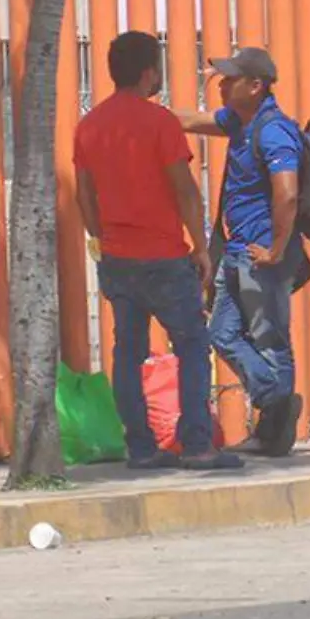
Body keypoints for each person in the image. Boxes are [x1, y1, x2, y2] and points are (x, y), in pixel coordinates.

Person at [74, 31, 242, 471]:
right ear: (149, 72)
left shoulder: (89, 126)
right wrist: (202, 247)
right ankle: (198, 445)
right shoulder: (160, 123)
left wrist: (100, 238)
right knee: (191, 343)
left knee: (127, 350)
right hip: (164, 257)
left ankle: (141, 448)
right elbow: (185, 191)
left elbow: (84, 195)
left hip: (116, 255)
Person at [178, 46, 305, 458]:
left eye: (231, 78)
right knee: (222, 334)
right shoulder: (239, 122)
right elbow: (193, 120)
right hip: (237, 252)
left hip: (262, 254)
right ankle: (277, 402)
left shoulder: (273, 130)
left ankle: (274, 429)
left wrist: (275, 248)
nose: (222, 84)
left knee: (270, 339)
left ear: (255, 86)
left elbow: (286, 194)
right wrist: (142, 114)